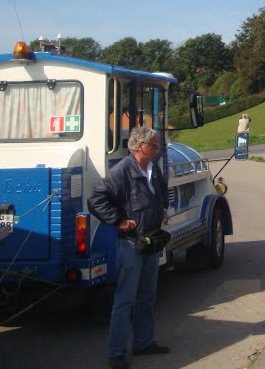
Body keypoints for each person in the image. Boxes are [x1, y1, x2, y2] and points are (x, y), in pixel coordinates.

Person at [88, 126, 170, 369]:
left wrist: (162, 207)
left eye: (157, 145)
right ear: (139, 146)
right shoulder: (122, 170)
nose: (157, 149)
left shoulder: (153, 170)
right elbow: (96, 200)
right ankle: (116, 353)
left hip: (151, 242)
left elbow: (162, 193)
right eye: (153, 145)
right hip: (131, 244)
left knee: (148, 295)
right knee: (125, 299)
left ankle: (144, 342)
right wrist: (119, 221)